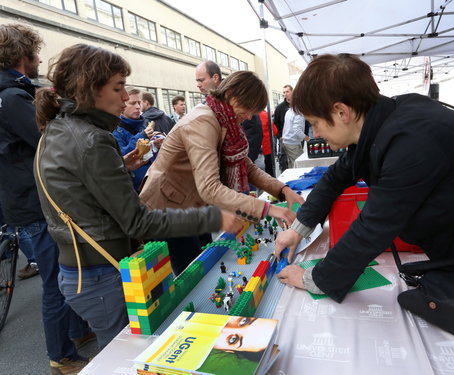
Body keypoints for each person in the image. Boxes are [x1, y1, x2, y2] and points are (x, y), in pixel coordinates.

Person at [34, 43, 242, 349]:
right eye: (118, 88)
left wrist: (120, 165)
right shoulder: (93, 141)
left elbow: (78, 191)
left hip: (81, 273)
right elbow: (139, 222)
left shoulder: (57, 129)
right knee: (131, 355)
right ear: (90, 88)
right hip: (105, 276)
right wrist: (214, 216)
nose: (125, 97)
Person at [275, 54, 454, 303]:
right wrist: (298, 230)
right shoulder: (382, 121)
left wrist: (315, 279)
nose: (315, 134)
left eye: (315, 123)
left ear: (341, 112)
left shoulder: (410, 141)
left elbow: (374, 225)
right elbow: (335, 178)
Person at [0, 23, 95, 374]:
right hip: (33, 205)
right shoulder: (13, 97)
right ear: (24, 56)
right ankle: (61, 354)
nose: (40, 59)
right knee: (58, 280)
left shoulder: (11, 93)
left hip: (24, 201)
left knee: (65, 271)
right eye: (37, 53)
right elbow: (48, 137)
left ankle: (76, 331)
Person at [140, 71, 304, 274]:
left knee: (207, 260)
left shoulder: (224, 120)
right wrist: (267, 209)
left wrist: (282, 190)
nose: (250, 116)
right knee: (195, 273)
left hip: (192, 204)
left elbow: (247, 166)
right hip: (167, 207)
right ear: (233, 97)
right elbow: (210, 188)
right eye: (249, 109)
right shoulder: (203, 121)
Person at [113, 88, 162, 192]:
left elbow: (149, 157)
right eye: (133, 103)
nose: (138, 107)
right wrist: (141, 137)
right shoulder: (115, 129)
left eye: (139, 103)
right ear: (122, 105)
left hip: (152, 183)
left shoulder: (144, 124)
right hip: (133, 189)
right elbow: (121, 157)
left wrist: (157, 144)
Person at [273, 85, 292, 172]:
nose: (285, 94)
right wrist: (279, 136)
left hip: (297, 138)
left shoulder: (298, 105)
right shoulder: (280, 108)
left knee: (296, 159)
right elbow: (275, 123)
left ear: (292, 92)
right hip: (284, 137)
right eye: (284, 92)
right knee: (283, 160)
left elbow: (305, 121)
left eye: (287, 92)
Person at [259, 110, 278, 177]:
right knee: (270, 170)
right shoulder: (266, 115)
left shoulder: (250, 115)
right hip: (267, 146)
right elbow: (275, 131)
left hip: (256, 149)